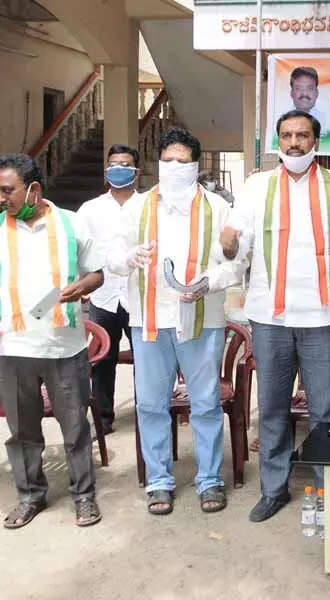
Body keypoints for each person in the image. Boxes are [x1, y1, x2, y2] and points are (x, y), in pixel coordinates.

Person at [221, 110, 330, 523]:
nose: (293, 143)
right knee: (271, 408)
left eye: (302, 136)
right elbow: (236, 245)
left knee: (324, 410)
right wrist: (229, 243)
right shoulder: (256, 186)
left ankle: (325, 490)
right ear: (277, 141)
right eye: (286, 135)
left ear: (316, 143)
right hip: (270, 319)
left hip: (322, 318)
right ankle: (273, 489)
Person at [107, 128, 242, 516]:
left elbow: (237, 264)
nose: (174, 167)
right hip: (150, 319)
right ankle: (160, 481)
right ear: (157, 164)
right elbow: (112, 257)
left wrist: (208, 282)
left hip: (203, 318)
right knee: (150, 404)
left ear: (196, 166)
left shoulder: (219, 208)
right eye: (167, 161)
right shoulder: (137, 207)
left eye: (182, 162)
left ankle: (210, 479)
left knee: (205, 403)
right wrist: (127, 258)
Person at [0, 153, 106, 529]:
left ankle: (84, 497)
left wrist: (83, 286)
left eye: (8, 190)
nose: (2, 198)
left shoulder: (72, 223)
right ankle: (30, 496)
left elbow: (97, 274)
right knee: (23, 432)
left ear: (33, 189)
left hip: (64, 347)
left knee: (75, 428)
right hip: (13, 349)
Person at [77, 144, 141, 434]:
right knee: (102, 360)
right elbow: (78, 250)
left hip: (138, 295)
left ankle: (147, 415)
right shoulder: (90, 210)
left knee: (146, 359)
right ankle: (103, 419)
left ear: (136, 171)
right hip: (104, 296)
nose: (119, 168)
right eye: (114, 163)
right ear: (106, 169)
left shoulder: (147, 205)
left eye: (125, 164)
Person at [289, 66, 325, 133]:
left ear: (317, 93)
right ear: (291, 93)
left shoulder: (325, 120)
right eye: (299, 88)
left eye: (310, 88)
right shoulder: (283, 120)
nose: (305, 93)